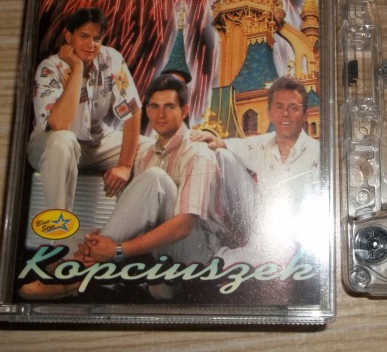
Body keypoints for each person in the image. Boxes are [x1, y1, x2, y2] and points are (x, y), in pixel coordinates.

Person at [19, 74, 255, 300]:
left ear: (184, 111)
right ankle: (107, 266)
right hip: (160, 255)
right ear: (147, 110)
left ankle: (77, 275)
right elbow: (138, 218)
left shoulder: (197, 151)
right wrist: (101, 241)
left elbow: (184, 226)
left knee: (156, 179)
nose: (160, 114)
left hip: (198, 252)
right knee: (70, 240)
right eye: (154, 106)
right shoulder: (147, 154)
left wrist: (116, 250)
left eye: (169, 107)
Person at [191, 76, 321, 266]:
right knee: (222, 156)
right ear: (270, 114)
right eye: (279, 107)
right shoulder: (261, 144)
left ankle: (222, 258)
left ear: (305, 114)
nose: (285, 114)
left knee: (259, 258)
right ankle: (212, 236)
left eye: (293, 108)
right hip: (261, 219)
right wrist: (208, 138)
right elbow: (225, 145)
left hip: (293, 233)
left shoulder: (317, 153)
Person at [27, 7, 147, 210]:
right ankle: (59, 222)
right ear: (68, 36)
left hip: (97, 141)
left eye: (97, 39)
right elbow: (59, 124)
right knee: (63, 140)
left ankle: (138, 219)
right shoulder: (49, 68)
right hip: (50, 144)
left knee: (151, 149)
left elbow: (132, 110)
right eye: (84, 36)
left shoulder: (111, 59)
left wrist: (124, 166)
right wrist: (77, 68)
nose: (91, 44)